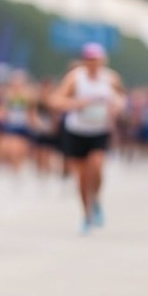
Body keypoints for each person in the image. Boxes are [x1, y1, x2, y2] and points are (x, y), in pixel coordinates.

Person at [48, 42, 125, 234]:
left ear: (103, 60)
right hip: (77, 131)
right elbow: (55, 100)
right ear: (84, 61)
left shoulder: (111, 78)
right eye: (89, 60)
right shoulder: (75, 78)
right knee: (81, 178)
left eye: (97, 60)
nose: (93, 64)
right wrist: (77, 104)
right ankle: (86, 214)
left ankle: (96, 199)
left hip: (99, 131)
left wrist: (116, 106)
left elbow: (122, 98)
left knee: (97, 167)